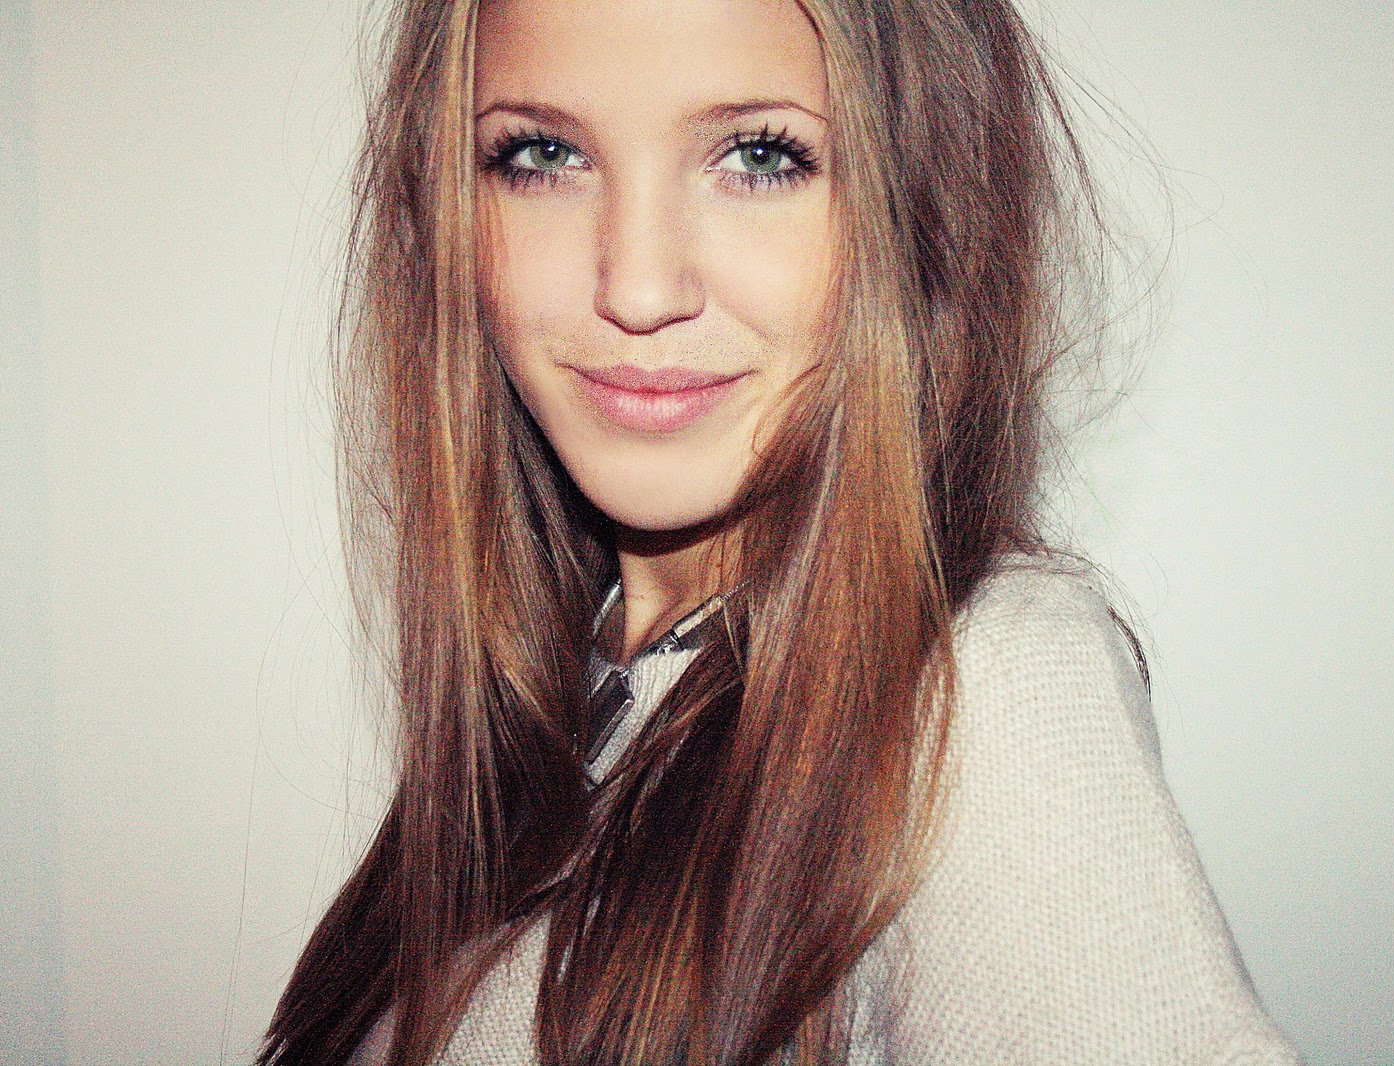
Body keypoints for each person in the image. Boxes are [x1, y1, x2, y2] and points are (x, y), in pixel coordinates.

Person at [262, 0, 1303, 1062]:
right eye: (543, 155)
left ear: (924, 211)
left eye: (759, 157)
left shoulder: (977, 685)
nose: (638, 288)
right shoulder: (569, 685)